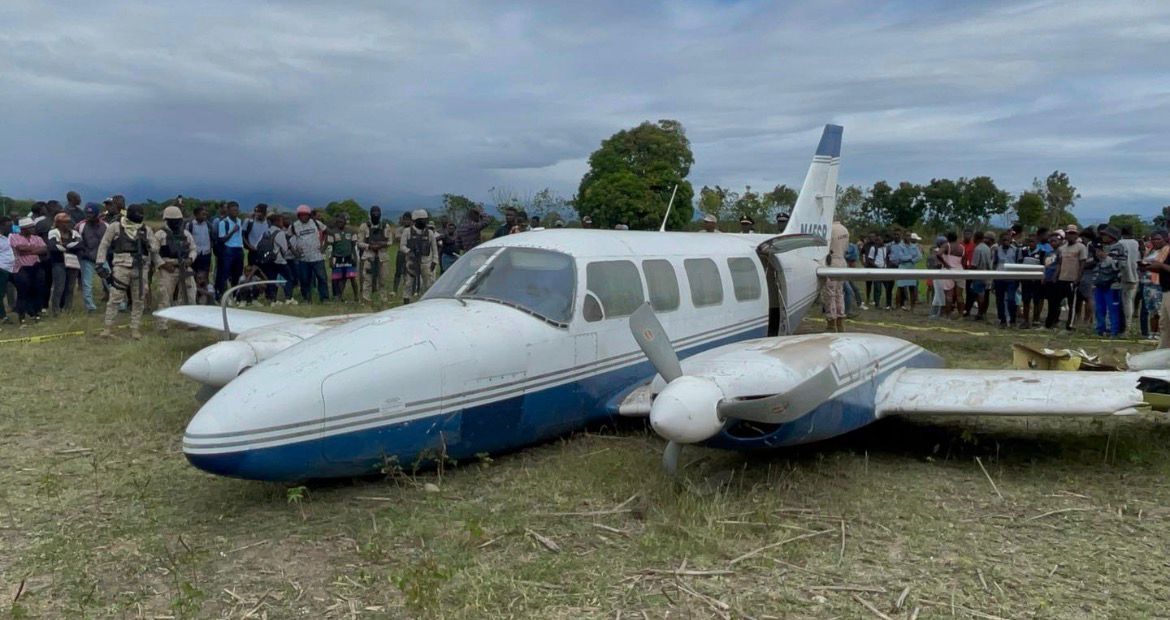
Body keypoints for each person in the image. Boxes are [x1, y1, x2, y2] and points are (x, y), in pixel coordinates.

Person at [96, 204, 154, 339]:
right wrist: (99, 262)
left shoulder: (146, 229)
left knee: (139, 299)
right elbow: (104, 244)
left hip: (140, 268)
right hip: (121, 266)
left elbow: (155, 247)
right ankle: (108, 328)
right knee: (115, 298)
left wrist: (147, 243)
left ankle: (135, 329)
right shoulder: (116, 227)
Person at [152, 206, 197, 332]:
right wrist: (163, 264)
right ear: (167, 220)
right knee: (165, 297)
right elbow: (154, 253)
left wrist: (191, 259)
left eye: (178, 220)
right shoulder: (160, 235)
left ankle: (191, 322)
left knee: (190, 295)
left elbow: (193, 249)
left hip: (185, 267)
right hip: (168, 268)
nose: (177, 223)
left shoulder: (186, 234)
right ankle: (162, 325)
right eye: (174, 220)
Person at [9, 217, 48, 325]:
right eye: (30, 227)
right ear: (24, 229)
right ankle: (22, 317)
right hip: (21, 268)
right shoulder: (14, 237)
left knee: (37, 290)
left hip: (35, 266)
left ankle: (36, 314)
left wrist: (29, 250)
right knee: (23, 292)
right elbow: (20, 249)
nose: (33, 229)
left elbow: (44, 249)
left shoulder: (37, 238)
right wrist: (35, 249)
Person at [289, 205, 329, 303]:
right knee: (304, 280)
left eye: (305, 215)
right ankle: (307, 298)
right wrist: (294, 252)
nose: (304, 217)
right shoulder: (294, 226)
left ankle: (324, 298)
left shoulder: (316, 223)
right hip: (303, 258)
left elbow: (326, 232)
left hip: (317, 257)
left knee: (322, 278)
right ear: (298, 216)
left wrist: (323, 247)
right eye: (301, 215)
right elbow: (287, 238)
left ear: (309, 215)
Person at [398, 209, 438, 302]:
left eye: (425, 219)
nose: (424, 222)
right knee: (408, 283)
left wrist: (434, 261)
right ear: (416, 220)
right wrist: (409, 251)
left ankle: (426, 301)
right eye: (421, 220)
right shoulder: (407, 231)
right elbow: (402, 246)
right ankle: (406, 301)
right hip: (411, 261)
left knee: (428, 284)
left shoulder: (429, 233)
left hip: (426, 262)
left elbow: (434, 248)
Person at [1093, 227, 1126, 337]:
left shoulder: (1119, 247)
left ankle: (1113, 330)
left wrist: (1105, 257)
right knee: (1100, 307)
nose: (1103, 237)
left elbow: (1120, 265)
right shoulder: (1104, 247)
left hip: (1113, 283)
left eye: (1105, 235)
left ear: (1112, 236)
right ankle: (1100, 329)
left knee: (1112, 308)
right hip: (1100, 282)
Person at [357, 205, 395, 302]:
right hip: (369, 256)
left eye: (378, 212)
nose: (376, 214)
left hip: (383, 256)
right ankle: (366, 299)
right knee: (367, 279)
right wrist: (369, 246)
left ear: (380, 214)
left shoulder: (386, 226)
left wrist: (382, 244)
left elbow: (390, 241)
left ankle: (383, 299)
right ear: (370, 214)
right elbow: (359, 243)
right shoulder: (364, 226)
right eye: (374, 212)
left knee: (383, 279)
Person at [74, 203, 107, 313]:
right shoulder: (80, 226)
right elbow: (76, 241)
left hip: (102, 258)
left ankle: (119, 304)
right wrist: (83, 253)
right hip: (87, 259)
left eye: (91, 213)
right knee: (87, 283)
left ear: (96, 214)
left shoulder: (105, 226)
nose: (88, 215)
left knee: (110, 281)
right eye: (87, 213)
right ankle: (90, 307)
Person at [47, 212, 81, 315]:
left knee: (70, 287)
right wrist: (71, 246)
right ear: (57, 223)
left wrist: (64, 246)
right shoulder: (53, 232)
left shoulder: (74, 232)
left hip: (73, 262)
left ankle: (68, 309)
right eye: (64, 222)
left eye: (68, 222)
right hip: (58, 262)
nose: (66, 224)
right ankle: (56, 310)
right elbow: (52, 246)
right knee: (59, 287)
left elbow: (81, 245)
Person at [258, 212, 294, 302]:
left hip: (268, 260)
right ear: (277, 222)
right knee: (288, 278)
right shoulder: (280, 233)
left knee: (271, 280)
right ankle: (288, 297)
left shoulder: (266, 232)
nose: (282, 223)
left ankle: (272, 298)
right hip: (279, 260)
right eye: (281, 221)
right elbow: (285, 248)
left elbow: (257, 245)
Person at [822, 220, 850, 332]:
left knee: (830, 293)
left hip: (832, 261)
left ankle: (831, 322)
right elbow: (846, 248)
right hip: (842, 261)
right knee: (839, 292)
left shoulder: (829, 229)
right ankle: (840, 321)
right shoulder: (844, 230)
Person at [1140, 230, 1168, 341]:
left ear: (1164, 239)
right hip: (1147, 283)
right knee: (1151, 310)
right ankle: (1153, 332)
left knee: (1160, 310)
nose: (1155, 241)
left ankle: (1162, 333)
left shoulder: (1166, 250)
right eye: (1153, 239)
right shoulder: (1150, 251)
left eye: (1158, 239)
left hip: (1159, 284)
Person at [215, 202, 244, 299]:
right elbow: (222, 239)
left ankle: (236, 295)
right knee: (225, 273)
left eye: (237, 210)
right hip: (228, 249)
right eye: (233, 210)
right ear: (228, 211)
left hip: (239, 249)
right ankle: (222, 295)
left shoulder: (239, 221)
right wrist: (232, 231)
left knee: (238, 273)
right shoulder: (224, 223)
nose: (236, 212)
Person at [326, 217, 359, 301]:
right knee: (339, 278)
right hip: (337, 258)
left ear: (345, 222)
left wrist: (355, 258)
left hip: (349, 257)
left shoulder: (352, 231)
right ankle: (339, 296)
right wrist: (330, 259)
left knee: (352, 277)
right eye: (338, 222)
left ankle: (356, 296)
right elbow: (330, 247)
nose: (339, 223)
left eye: (341, 222)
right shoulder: (332, 232)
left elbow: (354, 246)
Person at [991, 232, 1020, 328]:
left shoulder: (1016, 250)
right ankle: (1002, 320)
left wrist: (1018, 279)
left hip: (1011, 278)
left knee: (1011, 299)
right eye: (1004, 240)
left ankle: (1012, 320)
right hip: (999, 278)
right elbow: (995, 264)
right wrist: (993, 279)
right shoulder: (997, 250)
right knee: (999, 300)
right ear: (1001, 240)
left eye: (1007, 239)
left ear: (1011, 240)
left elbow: (1018, 264)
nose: (1005, 241)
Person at [890, 231, 922, 311]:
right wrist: (911, 257)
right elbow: (901, 258)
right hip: (902, 268)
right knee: (900, 287)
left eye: (909, 236)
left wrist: (911, 260)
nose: (908, 237)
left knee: (912, 288)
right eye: (907, 235)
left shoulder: (914, 246)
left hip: (911, 268)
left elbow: (919, 257)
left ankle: (912, 307)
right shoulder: (900, 246)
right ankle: (898, 306)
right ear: (904, 236)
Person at [186, 206, 214, 293]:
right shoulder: (190, 225)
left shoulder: (208, 225)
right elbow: (187, 239)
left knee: (205, 273)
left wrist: (210, 248)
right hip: (195, 254)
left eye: (206, 214)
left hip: (206, 253)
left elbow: (212, 238)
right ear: (196, 215)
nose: (205, 216)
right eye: (203, 214)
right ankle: (195, 292)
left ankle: (205, 293)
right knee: (194, 273)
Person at [1119, 225, 1141, 335]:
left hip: (1123, 276)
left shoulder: (1120, 243)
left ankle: (1127, 327)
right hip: (1135, 274)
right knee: (1130, 301)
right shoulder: (1136, 243)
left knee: (1125, 302)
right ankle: (1128, 325)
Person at [0, 215, 15, 325]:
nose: (11, 228)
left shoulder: (9, 237)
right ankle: (2, 316)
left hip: (11, 269)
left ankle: (14, 308)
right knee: (0, 294)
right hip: (2, 268)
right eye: (8, 226)